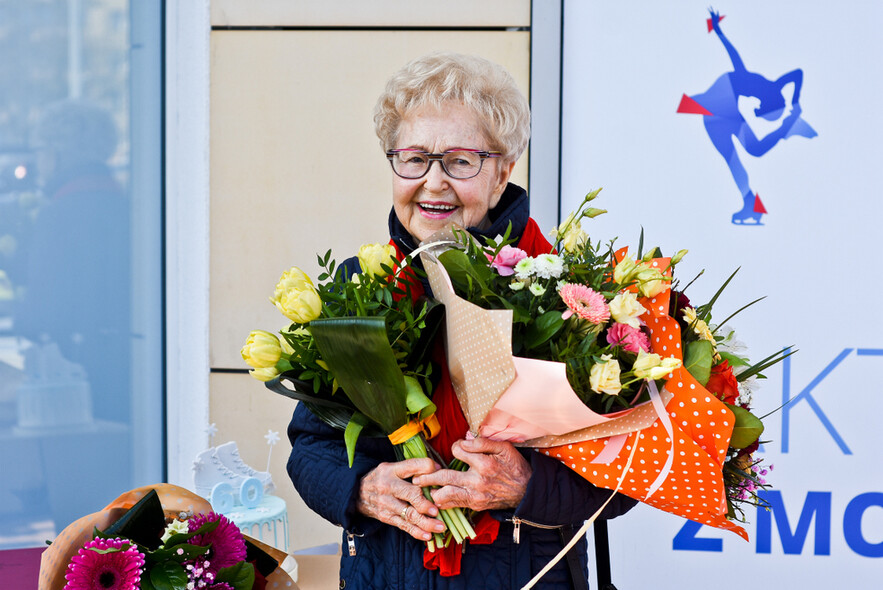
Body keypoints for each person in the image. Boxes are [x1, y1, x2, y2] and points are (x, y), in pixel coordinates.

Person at [287, 53, 636, 589]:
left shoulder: (570, 300)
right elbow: (311, 447)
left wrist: (526, 485)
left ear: (503, 171)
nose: (433, 182)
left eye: (460, 161)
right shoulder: (355, 291)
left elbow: (627, 474)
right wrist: (361, 488)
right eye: (414, 158)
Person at [681, 10, 816, 224]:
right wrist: (718, 31)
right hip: (720, 105)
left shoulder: (773, 87)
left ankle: (749, 202)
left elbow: (796, 75)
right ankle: (750, 200)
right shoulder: (760, 85)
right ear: (767, 105)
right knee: (749, 152)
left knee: (742, 155)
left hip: (720, 113)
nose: (757, 113)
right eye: (763, 114)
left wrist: (794, 102)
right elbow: (737, 58)